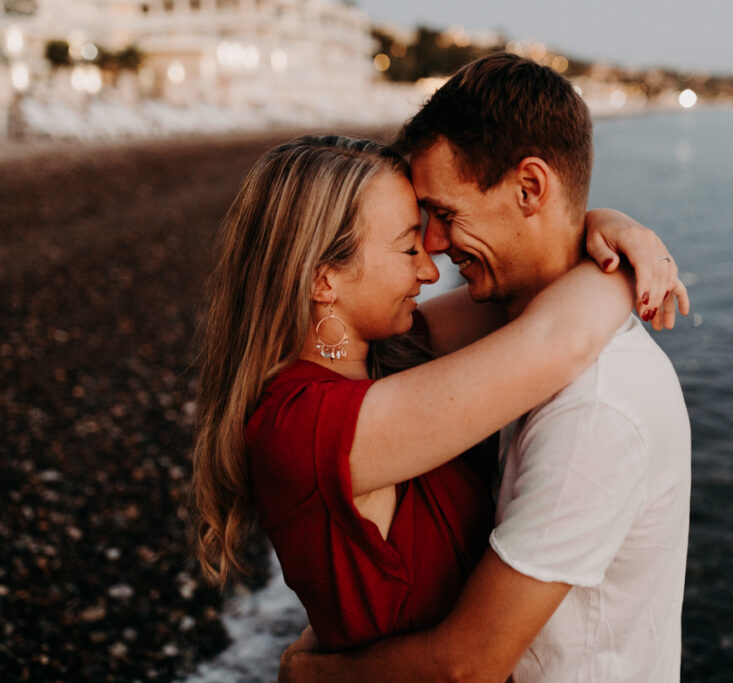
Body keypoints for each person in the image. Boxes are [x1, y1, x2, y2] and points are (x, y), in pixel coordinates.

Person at [189, 132, 685, 655]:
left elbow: (536, 282)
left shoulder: (393, 355)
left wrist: (607, 224)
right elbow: (560, 337)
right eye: (409, 247)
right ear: (323, 279)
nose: (429, 268)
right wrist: (629, 263)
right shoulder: (301, 426)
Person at [280, 54, 691, 682]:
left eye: (445, 215)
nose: (433, 248)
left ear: (530, 188)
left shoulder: (595, 406)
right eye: (415, 233)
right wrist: (611, 242)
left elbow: (467, 667)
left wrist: (307, 676)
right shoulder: (510, 339)